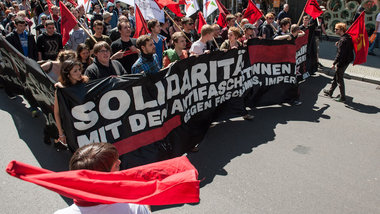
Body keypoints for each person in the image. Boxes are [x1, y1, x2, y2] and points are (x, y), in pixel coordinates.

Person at [54, 142, 151, 214]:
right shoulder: (133, 208)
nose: (119, 162)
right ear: (105, 178)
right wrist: (144, 199)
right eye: (116, 165)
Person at [54, 60, 89, 149]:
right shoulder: (61, 91)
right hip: (73, 129)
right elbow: (57, 113)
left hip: (88, 125)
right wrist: (61, 133)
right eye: (75, 71)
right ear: (68, 74)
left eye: (79, 69)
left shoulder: (86, 83)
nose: (79, 73)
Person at [323, 23, 354, 103]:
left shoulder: (343, 40)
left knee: (339, 79)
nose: (335, 30)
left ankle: (342, 97)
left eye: (336, 29)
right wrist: (339, 43)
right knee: (336, 77)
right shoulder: (348, 37)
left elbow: (340, 54)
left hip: (342, 62)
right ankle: (330, 92)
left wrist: (334, 63)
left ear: (341, 30)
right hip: (347, 60)